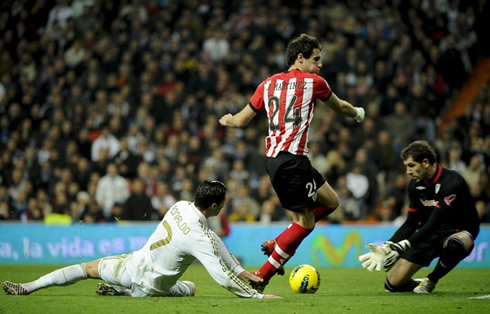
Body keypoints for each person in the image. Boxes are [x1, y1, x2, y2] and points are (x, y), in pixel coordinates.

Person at [219, 33, 365, 292]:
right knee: (305, 223)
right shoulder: (314, 82)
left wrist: (227, 119)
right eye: (316, 59)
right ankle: (262, 277)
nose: (320, 65)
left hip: (283, 160)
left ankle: (278, 242)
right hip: (291, 162)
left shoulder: (267, 84)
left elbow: (240, 121)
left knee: (331, 201)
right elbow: (340, 107)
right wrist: (357, 113)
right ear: (300, 58)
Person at [2, 180, 280, 299]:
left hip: (131, 266)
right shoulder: (199, 235)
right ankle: (127, 295)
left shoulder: (181, 206)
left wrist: (241, 271)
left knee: (86, 269)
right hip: (152, 288)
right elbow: (220, 276)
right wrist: (257, 296)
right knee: (192, 287)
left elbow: (213, 239)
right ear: (215, 206)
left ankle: (28, 287)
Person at [358, 140, 480, 294]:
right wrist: (388, 245)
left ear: (426, 162)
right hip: (430, 232)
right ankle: (418, 282)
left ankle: (431, 280)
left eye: (411, 165)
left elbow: (436, 222)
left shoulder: (453, 183)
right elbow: (411, 222)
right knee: (392, 285)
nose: (408, 171)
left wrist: (403, 245)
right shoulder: (415, 186)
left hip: (458, 230)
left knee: (454, 244)